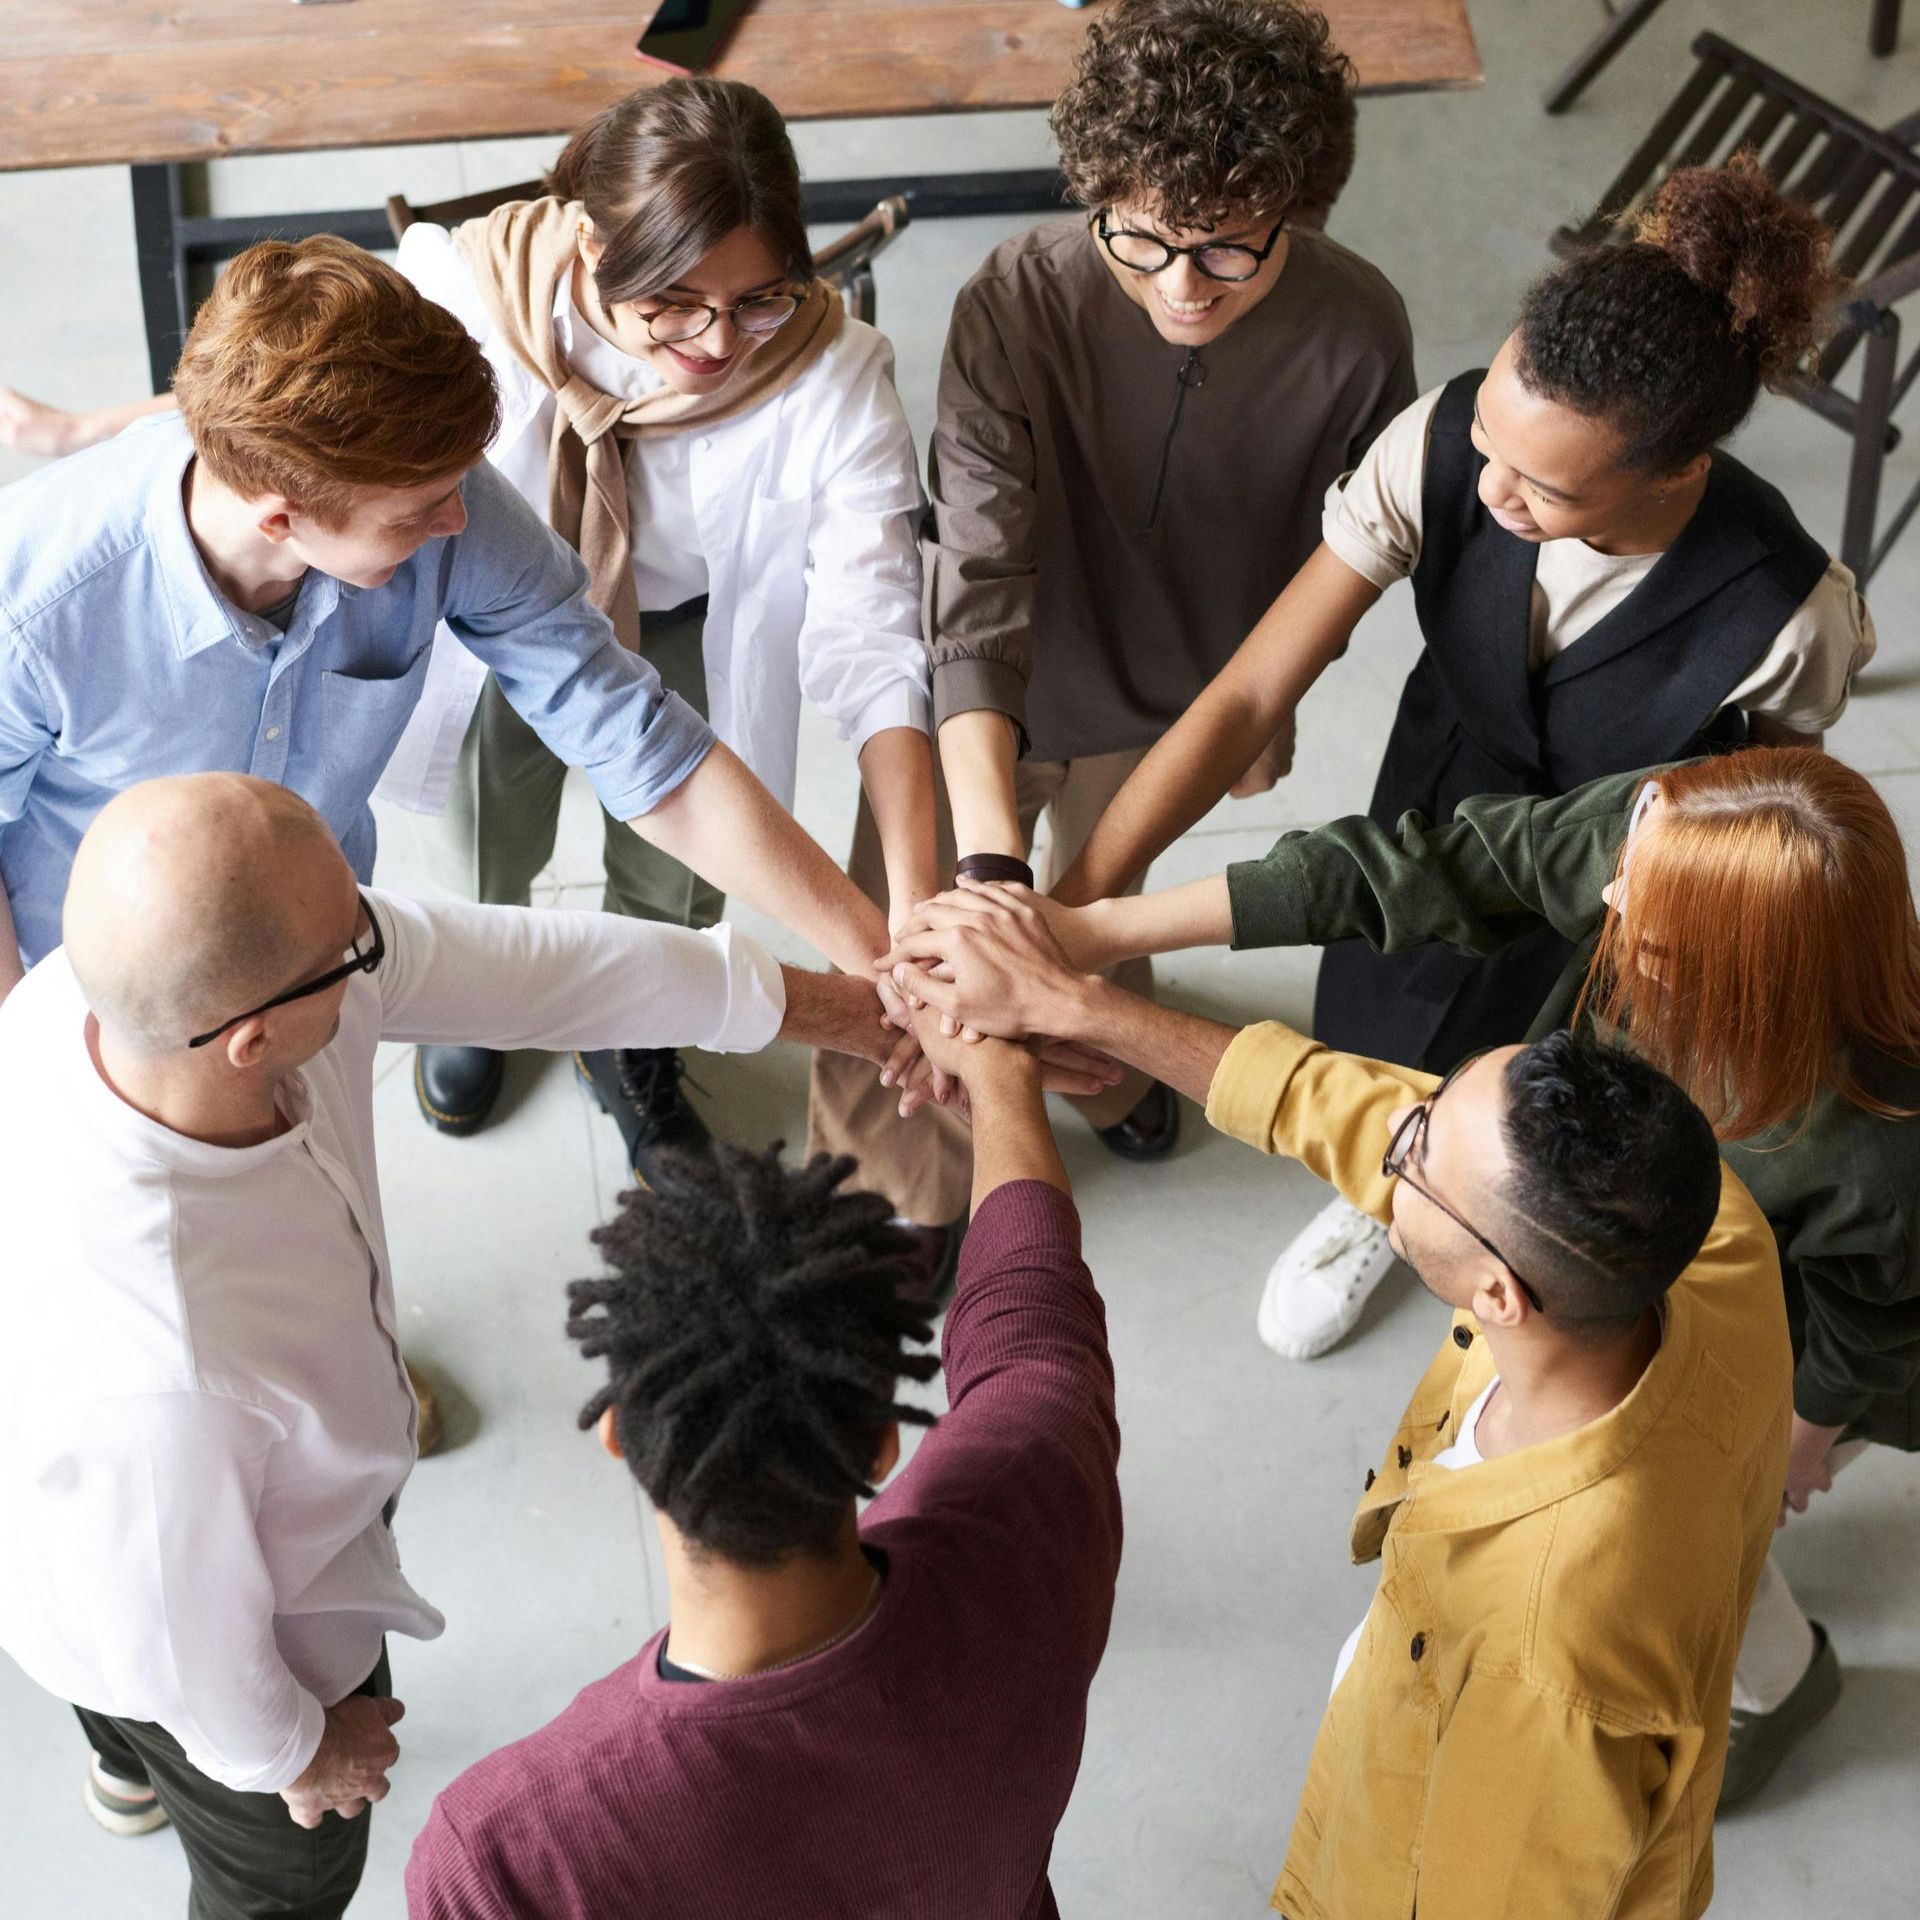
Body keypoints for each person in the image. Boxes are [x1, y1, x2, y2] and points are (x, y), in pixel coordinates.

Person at [0, 771, 937, 1920]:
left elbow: (540, 970)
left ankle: (127, 1764)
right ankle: (157, 1764)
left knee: (129, 1688)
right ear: (251, 1041)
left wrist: (847, 1012)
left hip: (104, 1517)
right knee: (278, 1883)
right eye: (352, 946)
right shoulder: (168, 1369)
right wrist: (298, 1753)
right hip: (189, 1636)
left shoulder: (104, 996)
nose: (378, 943)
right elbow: (170, 1633)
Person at [1051, 153, 1876, 1359]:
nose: (1492, 491)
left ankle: (1476, 1229)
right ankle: (1381, 1195)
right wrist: (1079, 906)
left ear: (1679, 472)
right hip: (1438, 790)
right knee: (1380, 1004)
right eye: (1489, 435)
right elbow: (1246, 695)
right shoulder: (1439, 445)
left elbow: (1768, 827)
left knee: (1538, 1099)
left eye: (1544, 487)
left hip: (1613, 890)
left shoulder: (1790, 612)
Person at [1006, 744, 1920, 1800]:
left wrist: (1796, 1443)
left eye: (1648, 925)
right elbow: (1427, 870)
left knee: (1709, 1544)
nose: (1609, 895)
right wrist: (1096, 936)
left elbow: (1872, 1329)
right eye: (1625, 861)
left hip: (1792, 1359)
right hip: (1618, 1286)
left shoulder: (1878, 1149)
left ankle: (1782, 1684)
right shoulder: (1668, 835)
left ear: (1742, 974)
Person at [879, 888, 1791, 1918]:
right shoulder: (1703, 1234)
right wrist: (1076, 1006)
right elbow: (1346, 1107)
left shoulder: (1542, 1666)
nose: (1391, 1137)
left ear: (1499, 1295)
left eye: (1416, 1155)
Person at [0, 233, 912, 1095]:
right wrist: (21, 1065)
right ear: (280, 519)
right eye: (417, 516)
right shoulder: (33, 604)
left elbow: (633, 738)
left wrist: (884, 963)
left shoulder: (432, 485)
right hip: (84, 997)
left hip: (321, 955)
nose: (458, 523)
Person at [807, 0, 1415, 1228]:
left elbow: (1333, 574)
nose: (1182, 286)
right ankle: (898, 1186)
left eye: (1230, 248)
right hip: (988, 694)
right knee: (917, 930)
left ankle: (1105, 1069)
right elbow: (976, 578)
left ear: (1297, 206)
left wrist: (1261, 722)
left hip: (1182, 701)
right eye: (1139, 239)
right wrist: (990, 876)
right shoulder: (1016, 299)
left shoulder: (1359, 332)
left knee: (1105, 918)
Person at [403, 1026, 1121, 1918]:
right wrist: (1003, 1081)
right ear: (881, 1444)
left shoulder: (507, 1860)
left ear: (620, 1437)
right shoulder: (1035, 1502)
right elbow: (1036, 1328)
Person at [377, 78, 940, 1188]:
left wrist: (909, 913)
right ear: (592, 246)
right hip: (491, 621)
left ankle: (635, 1031)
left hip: (682, 619)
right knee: (484, 832)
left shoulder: (831, 372)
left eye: (759, 300)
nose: (719, 341)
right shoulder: (464, 293)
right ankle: (478, 994)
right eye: (676, 304)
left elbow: (874, 633)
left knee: (678, 872)